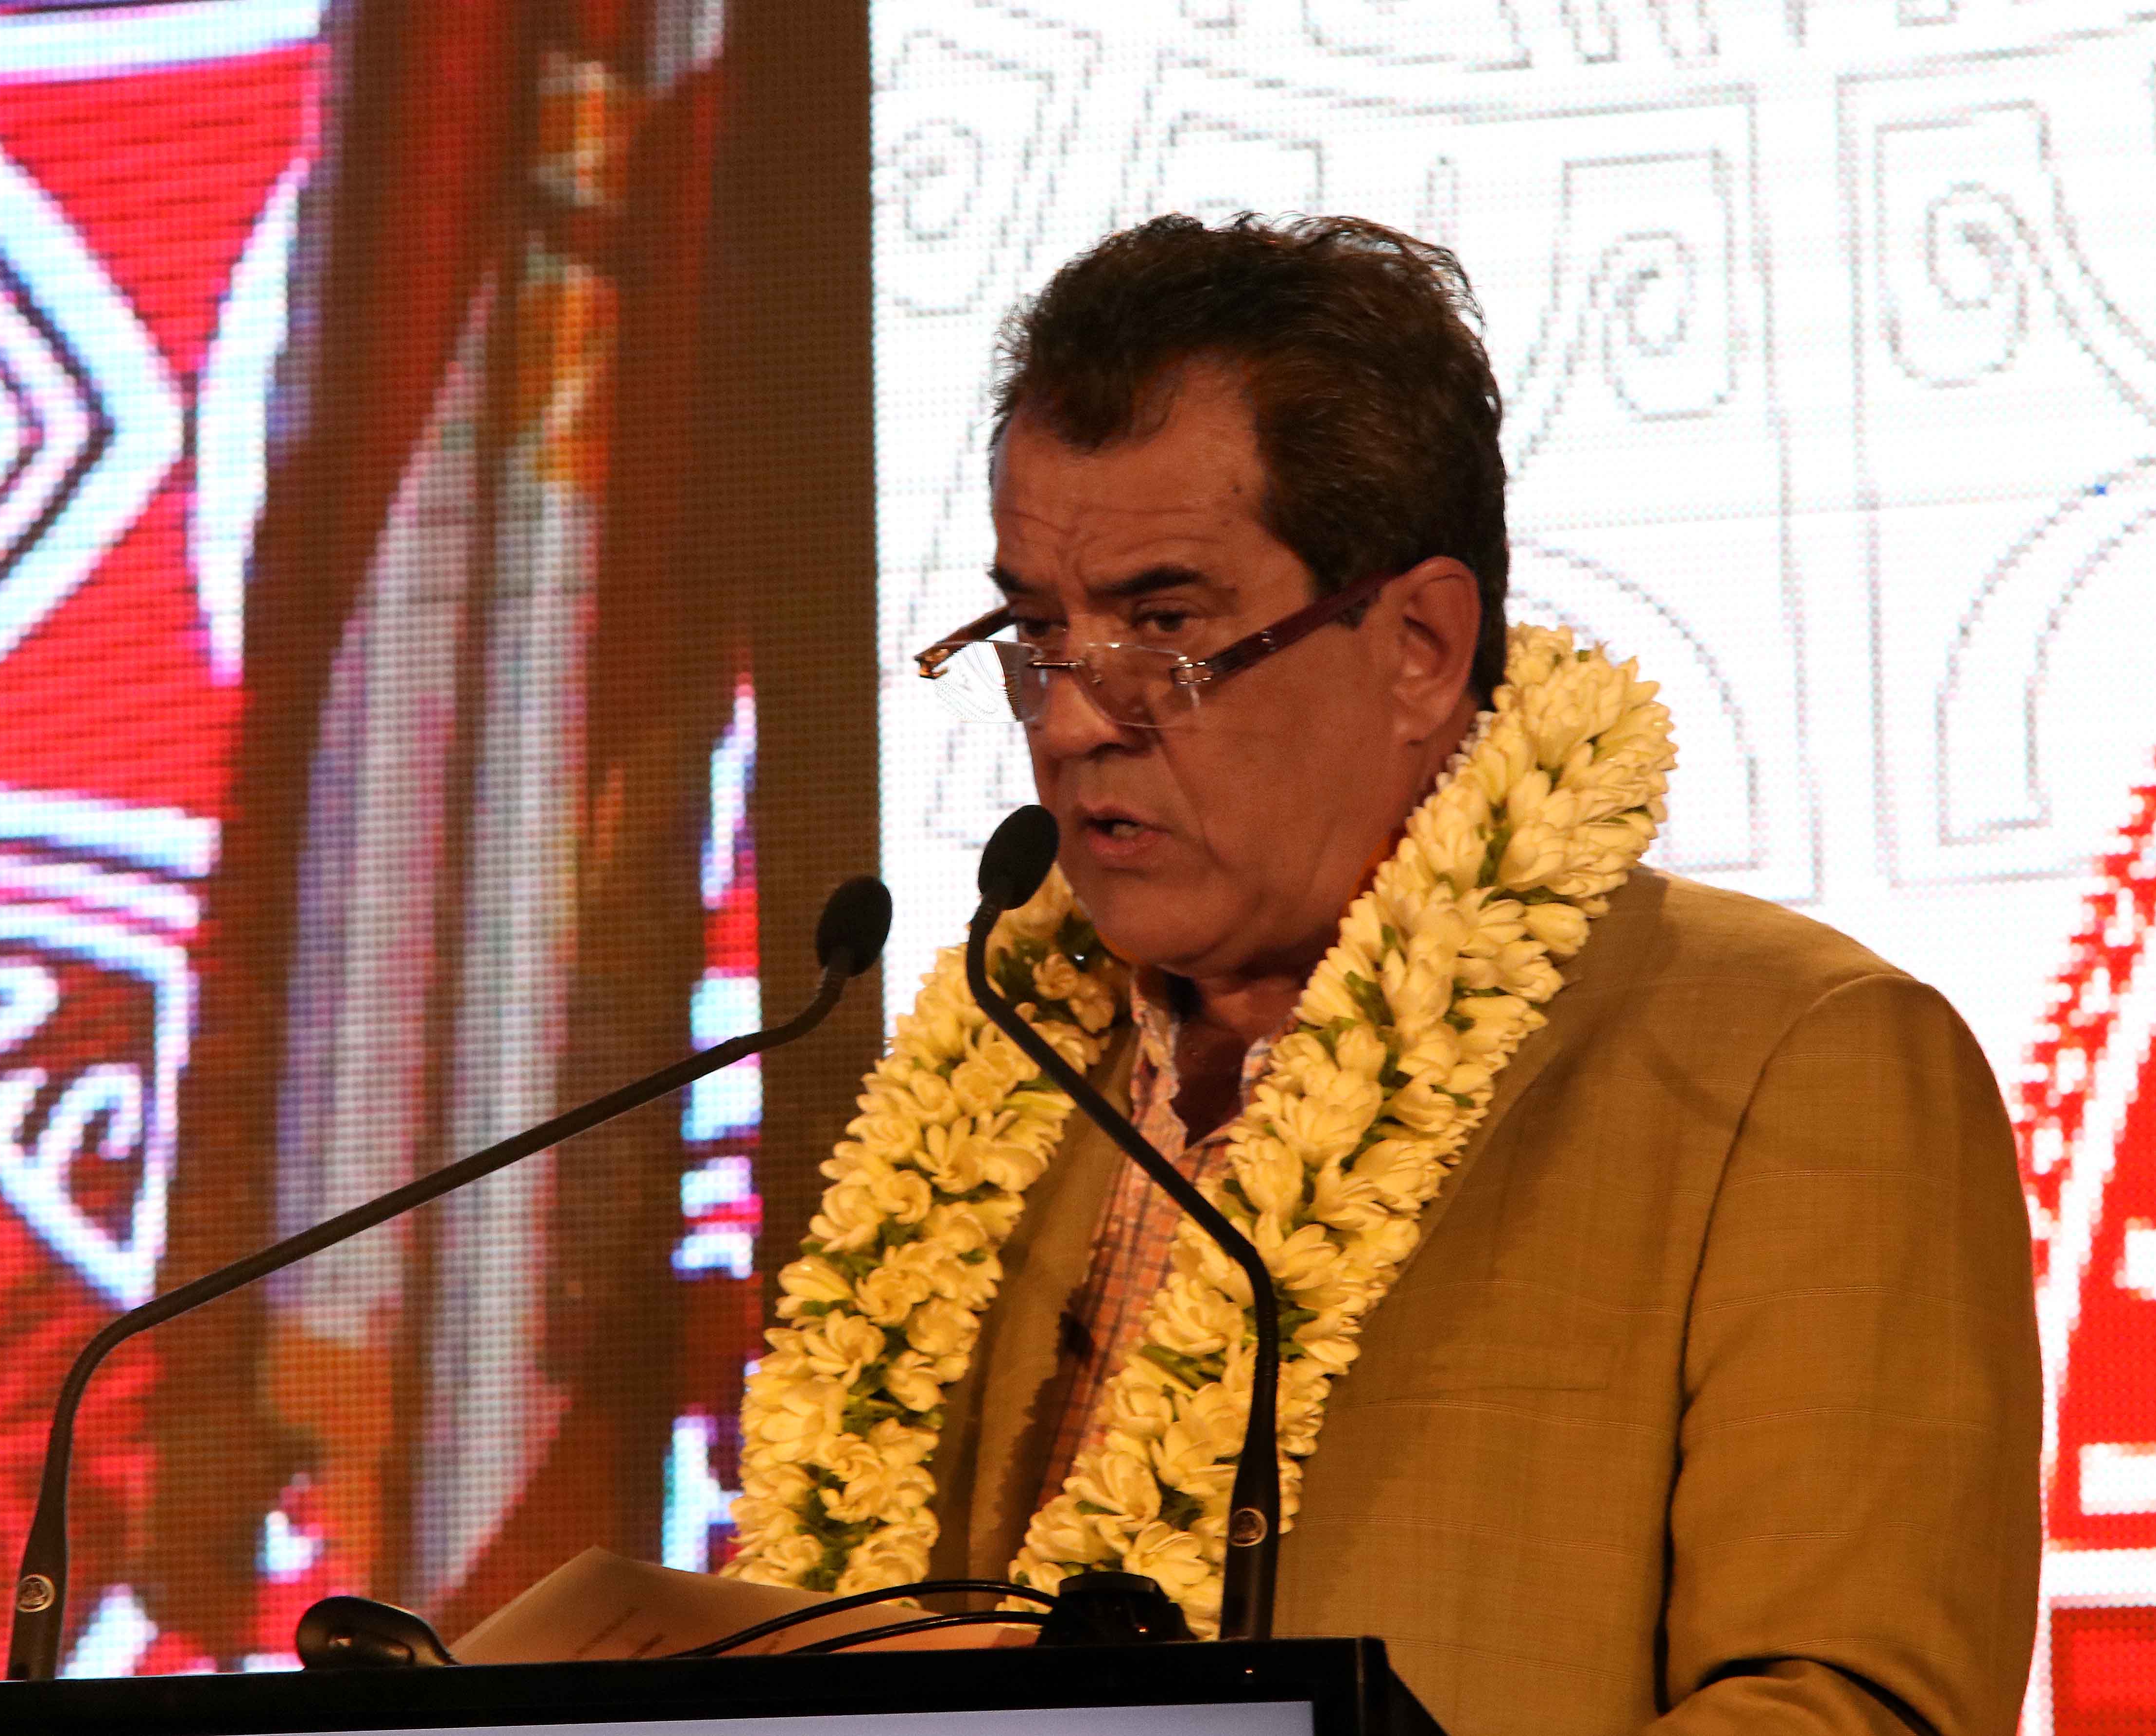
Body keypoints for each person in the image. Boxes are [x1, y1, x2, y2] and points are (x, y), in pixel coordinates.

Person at [723, 214, 2040, 1736]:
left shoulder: (1790, 1064)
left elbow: (1855, 1712)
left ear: (1418, 642)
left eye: (1163, 626)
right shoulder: (1001, 1088)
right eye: (1038, 631)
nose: (1076, 719)